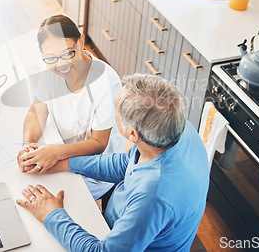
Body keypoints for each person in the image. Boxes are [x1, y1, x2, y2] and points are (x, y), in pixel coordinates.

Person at [17, 74, 210, 251]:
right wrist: (65, 162)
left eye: (114, 109)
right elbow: (126, 163)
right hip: (123, 228)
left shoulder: (153, 196)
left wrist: (52, 214)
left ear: (132, 134)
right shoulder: (174, 127)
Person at [17, 14, 124, 200]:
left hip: (97, 171)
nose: (61, 64)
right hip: (63, 153)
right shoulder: (51, 69)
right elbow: (37, 110)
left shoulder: (106, 83)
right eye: (50, 57)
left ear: (81, 42)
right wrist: (28, 145)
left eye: (68, 53)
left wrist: (54, 153)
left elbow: (99, 143)